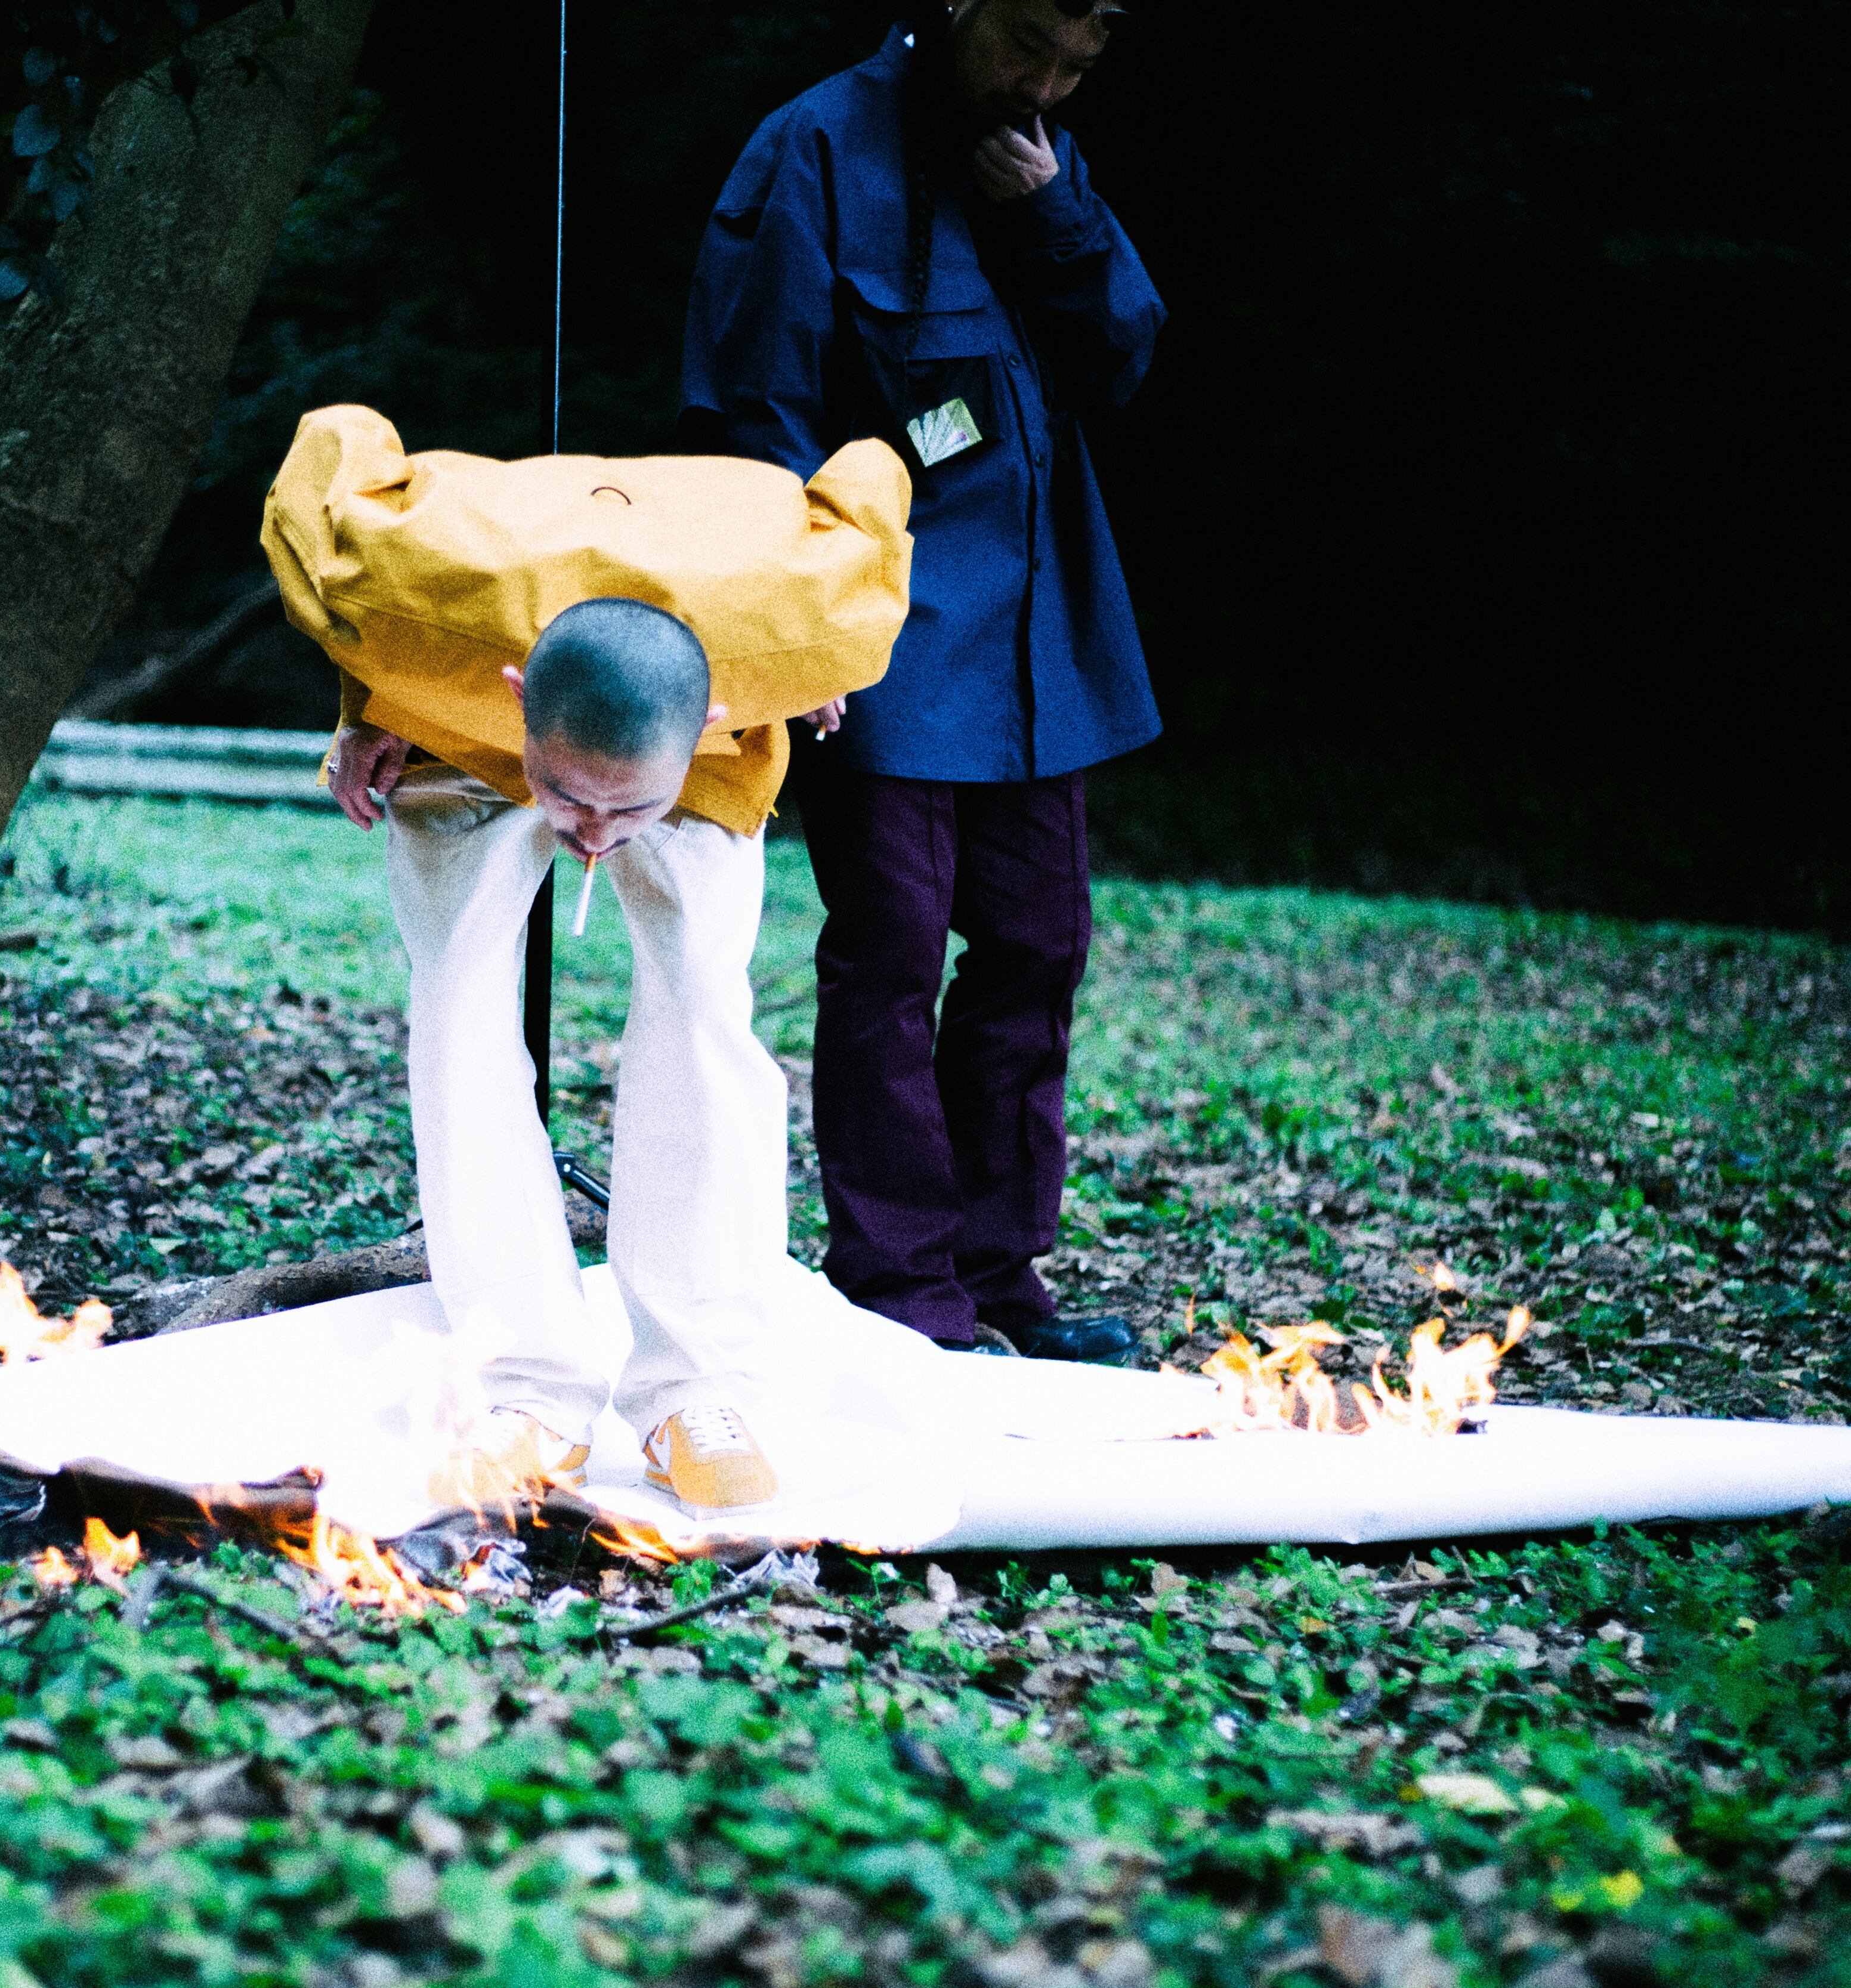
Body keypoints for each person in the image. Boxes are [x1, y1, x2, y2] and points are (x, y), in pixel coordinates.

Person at [261, 404, 910, 1514]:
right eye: (571, 801)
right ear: (521, 694)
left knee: (707, 1012)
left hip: (715, 706)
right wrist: (373, 695)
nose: (597, 837)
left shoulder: (797, 619)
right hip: (461, 712)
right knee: (457, 1014)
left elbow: (873, 472)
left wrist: (799, 664)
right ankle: (527, 1387)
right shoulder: (404, 595)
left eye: (626, 811)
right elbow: (337, 439)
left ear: (715, 713)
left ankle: (697, 1386)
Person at [679, 0, 1163, 1360]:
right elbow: (750, 412)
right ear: (956, 3)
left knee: (1037, 947)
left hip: (1039, 634)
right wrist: (787, 624)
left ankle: (1000, 1281)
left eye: (1078, 64)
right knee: (890, 950)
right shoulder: (814, 149)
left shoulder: (1040, 156)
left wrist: (1052, 217)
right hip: (879, 630)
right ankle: (901, 1296)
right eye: (1027, 45)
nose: (1046, 83)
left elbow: (1122, 357)